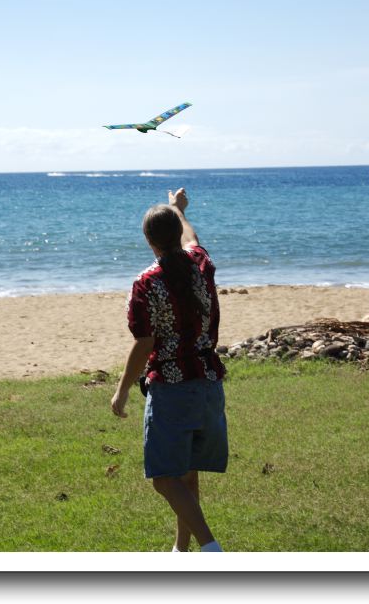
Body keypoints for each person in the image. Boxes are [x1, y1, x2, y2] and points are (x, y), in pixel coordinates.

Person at [111, 187, 228, 553]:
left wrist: (122, 389)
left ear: (148, 240)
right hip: (208, 385)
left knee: (164, 478)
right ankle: (181, 550)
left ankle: (210, 549)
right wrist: (178, 209)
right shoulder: (199, 262)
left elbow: (143, 343)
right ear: (176, 234)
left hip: (173, 391)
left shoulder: (146, 282)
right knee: (186, 473)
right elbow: (192, 238)